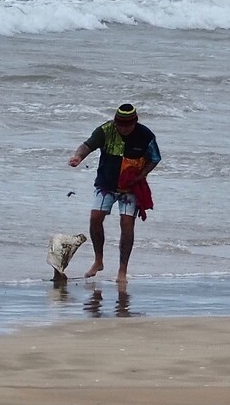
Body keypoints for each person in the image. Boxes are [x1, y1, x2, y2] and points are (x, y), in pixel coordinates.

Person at [68, 103, 161, 284]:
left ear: (135, 123)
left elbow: (155, 158)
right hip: (106, 185)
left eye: (128, 125)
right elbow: (87, 146)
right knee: (95, 218)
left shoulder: (145, 135)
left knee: (127, 224)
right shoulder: (105, 130)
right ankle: (98, 261)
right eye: (120, 125)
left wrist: (142, 175)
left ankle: (122, 271)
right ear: (115, 122)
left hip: (131, 188)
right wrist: (78, 157)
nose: (123, 129)